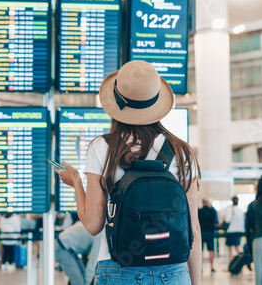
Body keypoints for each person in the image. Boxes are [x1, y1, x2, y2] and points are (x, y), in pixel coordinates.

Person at [55, 60, 202, 285]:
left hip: (118, 269)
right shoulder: (182, 151)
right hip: (173, 270)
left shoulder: (102, 147)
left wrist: (75, 181)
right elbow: (192, 228)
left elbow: (94, 225)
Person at [55, 221, 102, 285]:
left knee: (81, 278)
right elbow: (92, 265)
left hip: (69, 249)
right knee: (78, 282)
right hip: (62, 248)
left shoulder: (98, 226)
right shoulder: (100, 235)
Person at [223, 196, 245, 263]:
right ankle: (241, 263)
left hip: (231, 231)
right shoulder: (240, 210)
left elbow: (227, 220)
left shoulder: (230, 209)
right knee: (238, 248)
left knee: (230, 250)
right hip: (239, 231)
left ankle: (231, 265)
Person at [198, 197, 218, 272]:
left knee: (201, 251)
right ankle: (212, 266)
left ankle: (201, 267)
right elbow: (216, 222)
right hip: (210, 233)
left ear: (202, 203)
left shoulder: (199, 211)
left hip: (202, 233)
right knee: (211, 250)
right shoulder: (212, 211)